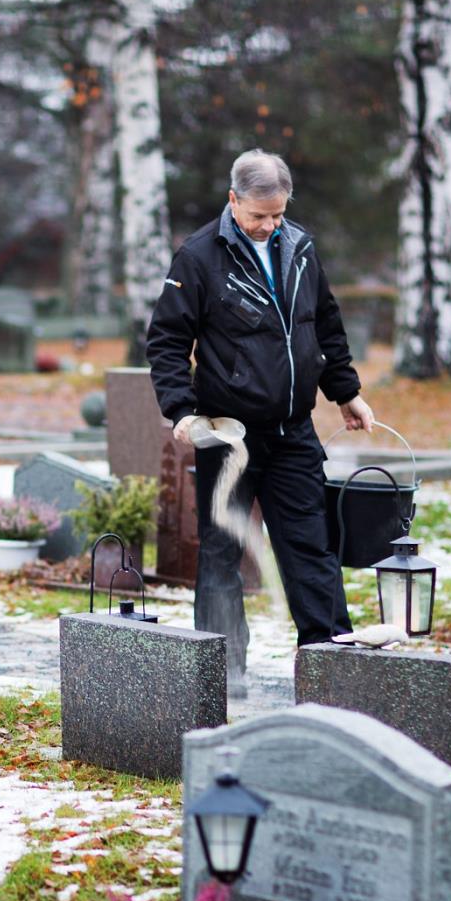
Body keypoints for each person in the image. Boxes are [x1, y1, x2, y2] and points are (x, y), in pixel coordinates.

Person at [144, 148, 374, 695]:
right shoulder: (199, 256)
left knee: (310, 547)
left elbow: (325, 324)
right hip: (228, 435)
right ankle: (220, 675)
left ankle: (329, 666)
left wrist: (345, 392)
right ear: (233, 201)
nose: (269, 226)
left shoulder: (299, 247)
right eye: (258, 216)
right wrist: (181, 409)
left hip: (294, 431)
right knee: (222, 555)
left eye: (277, 214)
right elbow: (167, 340)